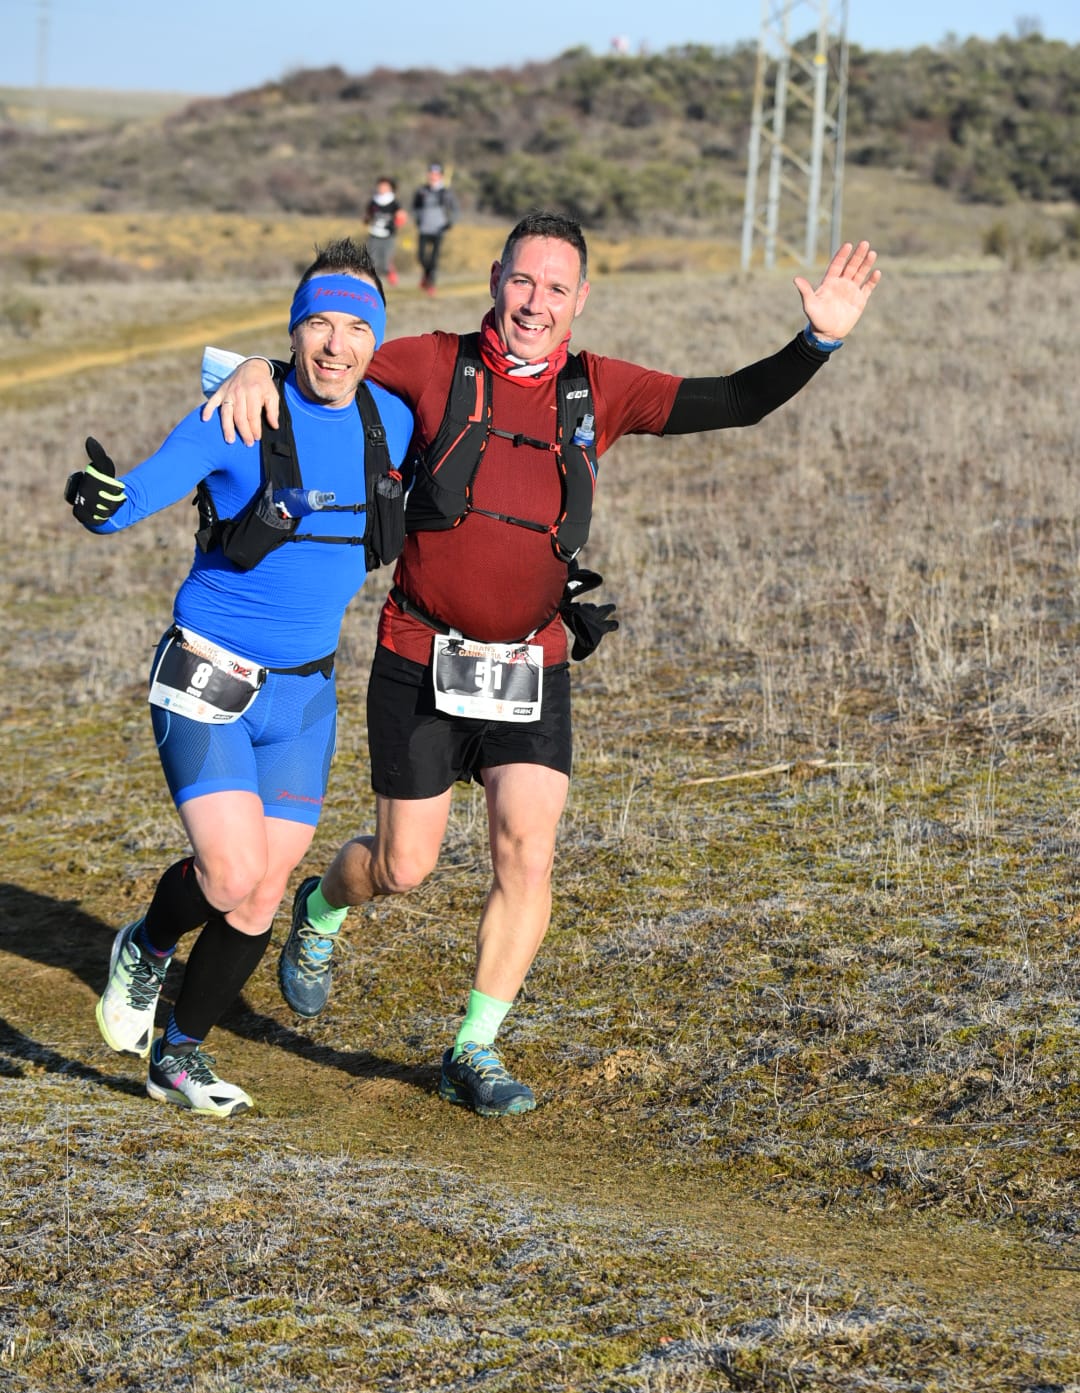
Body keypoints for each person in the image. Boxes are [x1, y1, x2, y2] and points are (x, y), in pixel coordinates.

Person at [203, 211, 880, 1119]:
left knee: (528, 853)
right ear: (494, 279)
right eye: (523, 281)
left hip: (532, 665)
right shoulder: (429, 361)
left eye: (557, 288)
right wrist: (251, 367)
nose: (536, 302)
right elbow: (327, 362)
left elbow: (734, 400)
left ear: (581, 300)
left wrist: (816, 341)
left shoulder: (602, 390)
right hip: (419, 656)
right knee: (405, 868)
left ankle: (472, 1049)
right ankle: (324, 911)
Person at [66, 239, 412, 1118]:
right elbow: (139, 496)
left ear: (377, 338)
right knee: (226, 878)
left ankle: (177, 1056)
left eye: (355, 328)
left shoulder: (394, 421)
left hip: (305, 699)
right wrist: (105, 502)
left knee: (262, 892)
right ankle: (145, 945)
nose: (336, 345)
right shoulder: (238, 412)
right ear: (294, 332)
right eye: (317, 325)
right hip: (207, 676)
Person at [412, 162, 457, 294]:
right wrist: (417, 220)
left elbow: (455, 210)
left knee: (434, 259)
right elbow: (415, 208)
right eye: (431, 173)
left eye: (436, 174)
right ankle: (426, 275)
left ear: (441, 176)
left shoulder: (446, 193)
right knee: (421, 257)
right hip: (424, 228)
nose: (433, 176)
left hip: (438, 229)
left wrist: (449, 223)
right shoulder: (421, 191)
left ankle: (431, 284)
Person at [364, 176, 407, 287]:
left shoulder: (394, 202)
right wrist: (367, 220)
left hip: (388, 235)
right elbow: (368, 215)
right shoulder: (374, 201)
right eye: (380, 186)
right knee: (373, 260)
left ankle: (390, 272)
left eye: (385, 186)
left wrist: (396, 223)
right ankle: (373, 283)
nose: (382, 188)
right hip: (374, 234)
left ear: (391, 188)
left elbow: (401, 216)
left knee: (386, 261)